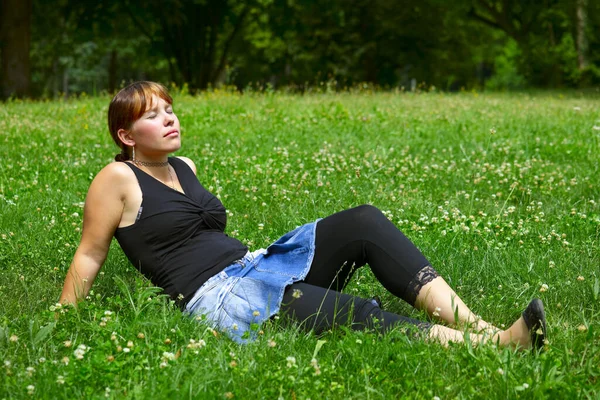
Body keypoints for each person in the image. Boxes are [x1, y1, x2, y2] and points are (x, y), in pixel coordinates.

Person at [59, 81, 547, 349]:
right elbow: (90, 253)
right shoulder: (116, 178)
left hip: (254, 265)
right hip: (218, 297)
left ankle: (477, 324)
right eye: (153, 114)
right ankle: (494, 348)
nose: (170, 118)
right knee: (349, 313)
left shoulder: (183, 166)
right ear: (126, 136)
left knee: (364, 221)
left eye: (170, 108)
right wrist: (64, 318)